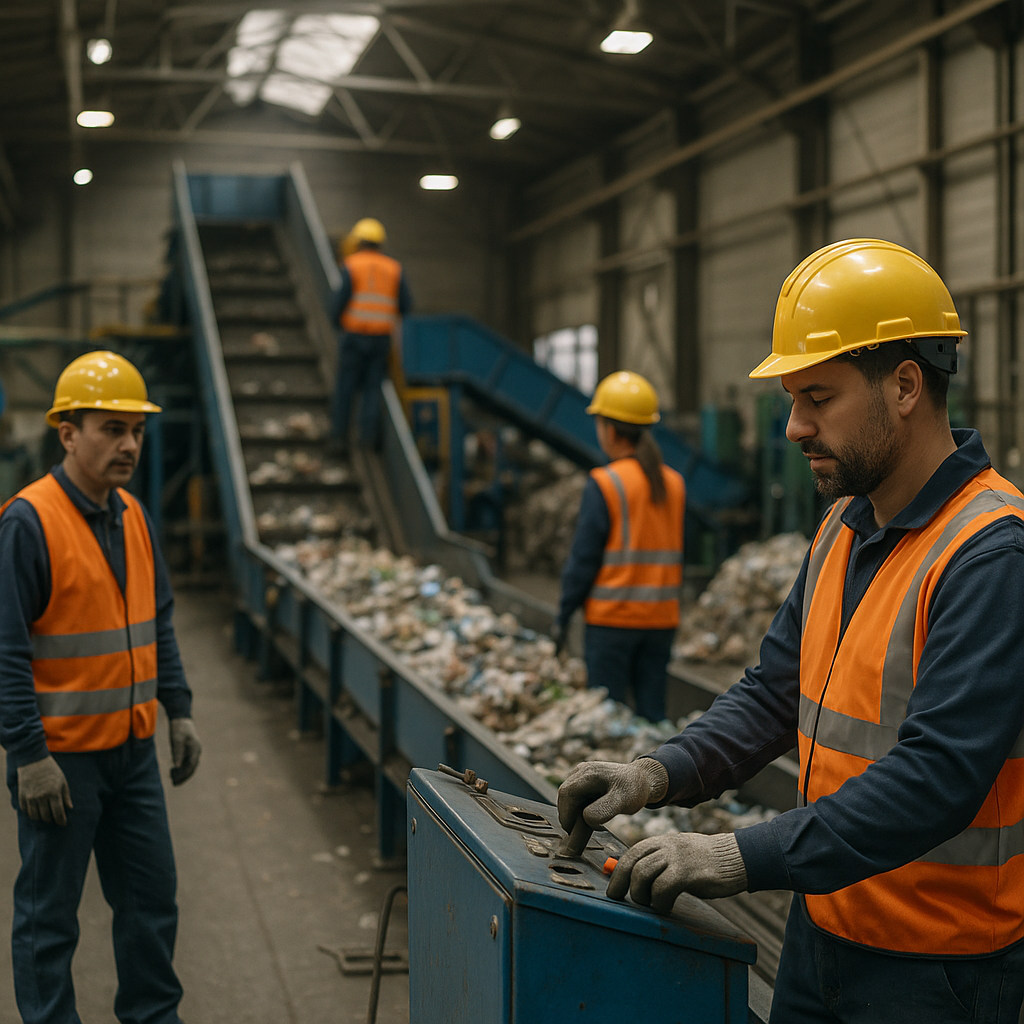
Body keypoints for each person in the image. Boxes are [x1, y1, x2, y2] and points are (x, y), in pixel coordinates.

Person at [556, 239, 1024, 1023]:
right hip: (822, 927)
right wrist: (657, 774)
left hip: (936, 968)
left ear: (905, 385)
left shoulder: (990, 553)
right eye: (792, 400)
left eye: (818, 397)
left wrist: (735, 854)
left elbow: (937, 776)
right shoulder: (843, 525)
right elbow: (774, 693)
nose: (794, 427)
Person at [0, 350, 202, 1024]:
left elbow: (157, 619)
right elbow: (5, 651)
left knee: (151, 905)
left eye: (136, 431)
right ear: (67, 433)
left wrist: (178, 709)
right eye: (112, 429)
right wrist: (28, 755)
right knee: (48, 920)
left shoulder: (134, 514)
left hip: (132, 755)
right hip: (61, 762)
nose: (129, 445)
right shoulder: (27, 522)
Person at [552, 371, 685, 723]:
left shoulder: (606, 483)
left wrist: (564, 614)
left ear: (609, 430)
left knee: (607, 719)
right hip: (660, 621)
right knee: (652, 716)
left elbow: (584, 559)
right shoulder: (674, 483)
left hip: (612, 622)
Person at [329, 217, 412, 457]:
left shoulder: (352, 265)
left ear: (359, 242)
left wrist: (338, 324)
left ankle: (339, 437)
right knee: (372, 390)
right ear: (380, 243)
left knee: (345, 388)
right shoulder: (394, 269)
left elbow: (339, 302)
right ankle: (367, 438)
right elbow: (406, 305)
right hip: (380, 340)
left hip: (354, 337)